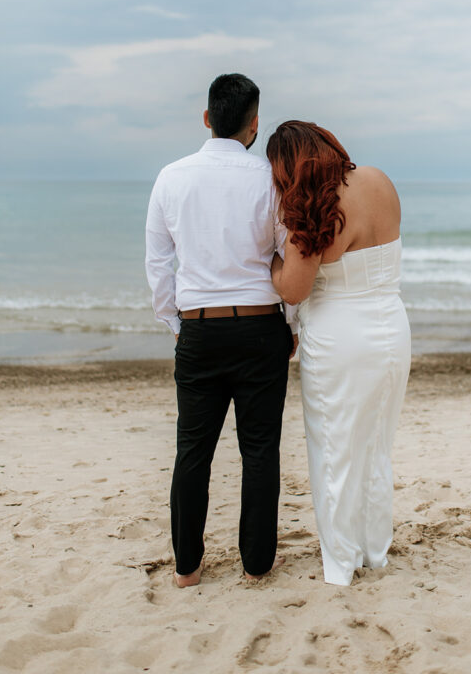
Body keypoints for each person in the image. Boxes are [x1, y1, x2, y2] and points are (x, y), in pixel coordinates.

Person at [145, 74, 297, 588]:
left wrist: (174, 324)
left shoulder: (171, 177)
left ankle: (187, 568)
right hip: (260, 330)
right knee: (260, 449)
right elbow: (287, 257)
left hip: (200, 332)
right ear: (254, 124)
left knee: (193, 450)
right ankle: (257, 565)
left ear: (208, 118)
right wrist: (291, 325)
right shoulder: (269, 179)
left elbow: (158, 262)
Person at [267, 120, 411, 586]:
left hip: (341, 339)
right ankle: (374, 552)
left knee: (334, 451)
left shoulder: (312, 209)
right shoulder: (378, 179)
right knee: (375, 446)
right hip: (392, 326)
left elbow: (293, 289)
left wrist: (272, 261)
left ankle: (340, 567)